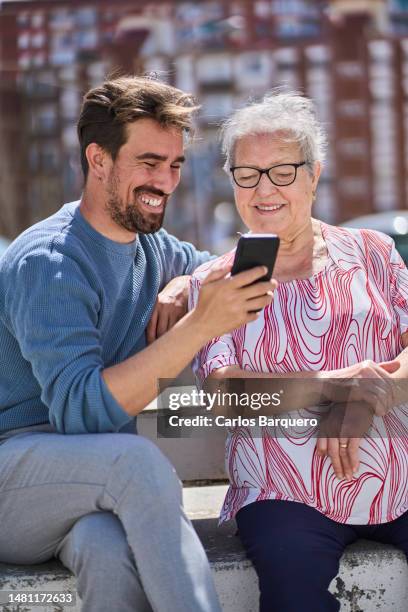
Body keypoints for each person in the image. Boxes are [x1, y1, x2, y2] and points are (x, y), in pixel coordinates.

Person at [0, 75, 277, 612]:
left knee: (107, 550)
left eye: (174, 165)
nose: (166, 181)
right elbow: (82, 415)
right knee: (138, 462)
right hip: (15, 477)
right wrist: (198, 325)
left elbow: (216, 267)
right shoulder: (52, 262)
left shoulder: (152, 250)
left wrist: (184, 284)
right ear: (98, 159)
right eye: (149, 162)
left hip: (83, 494)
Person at [190, 91, 408, 612]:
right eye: (248, 173)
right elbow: (224, 399)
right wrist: (334, 385)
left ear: (314, 175)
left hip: (399, 481)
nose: (264, 189)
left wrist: (369, 396)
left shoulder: (373, 252)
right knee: (293, 594)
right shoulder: (217, 282)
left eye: (283, 171)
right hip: (284, 494)